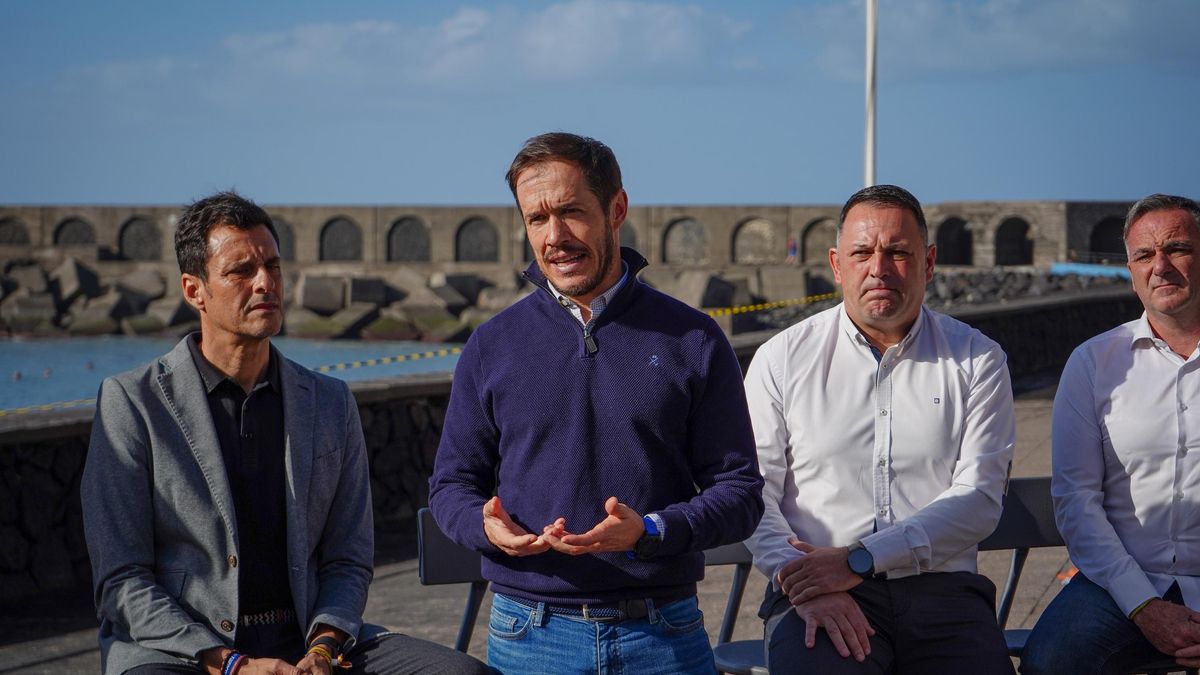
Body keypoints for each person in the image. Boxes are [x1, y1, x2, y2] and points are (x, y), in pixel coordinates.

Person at [81, 191, 490, 675]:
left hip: (313, 640)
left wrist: (323, 648)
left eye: (273, 266)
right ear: (194, 291)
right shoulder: (133, 403)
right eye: (241, 271)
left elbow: (348, 559)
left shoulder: (331, 402)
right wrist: (231, 663)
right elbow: (122, 581)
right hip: (183, 653)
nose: (265, 283)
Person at [428, 132, 764, 674]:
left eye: (571, 212)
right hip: (527, 636)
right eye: (536, 219)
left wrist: (651, 531)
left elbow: (741, 493)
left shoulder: (694, 339)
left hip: (664, 634)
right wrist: (484, 527)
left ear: (617, 209)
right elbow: (450, 487)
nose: (554, 236)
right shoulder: (490, 345)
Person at [742, 184, 1016, 674]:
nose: (879, 269)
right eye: (862, 252)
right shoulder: (782, 359)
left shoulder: (977, 359)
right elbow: (752, 492)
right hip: (813, 587)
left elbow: (978, 499)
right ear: (836, 264)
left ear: (929, 262)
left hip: (943, 594)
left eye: (898, 253)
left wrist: (859, 559)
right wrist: (802, 583)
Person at [1021, 194, 1200, 674]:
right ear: (1130, 270)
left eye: (1177, 248)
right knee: (1050, 662)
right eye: (1144, 255)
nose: (1160, 266)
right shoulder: (1094, 363)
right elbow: (1077, 499)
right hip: (1121, 582)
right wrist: (1143, 604)